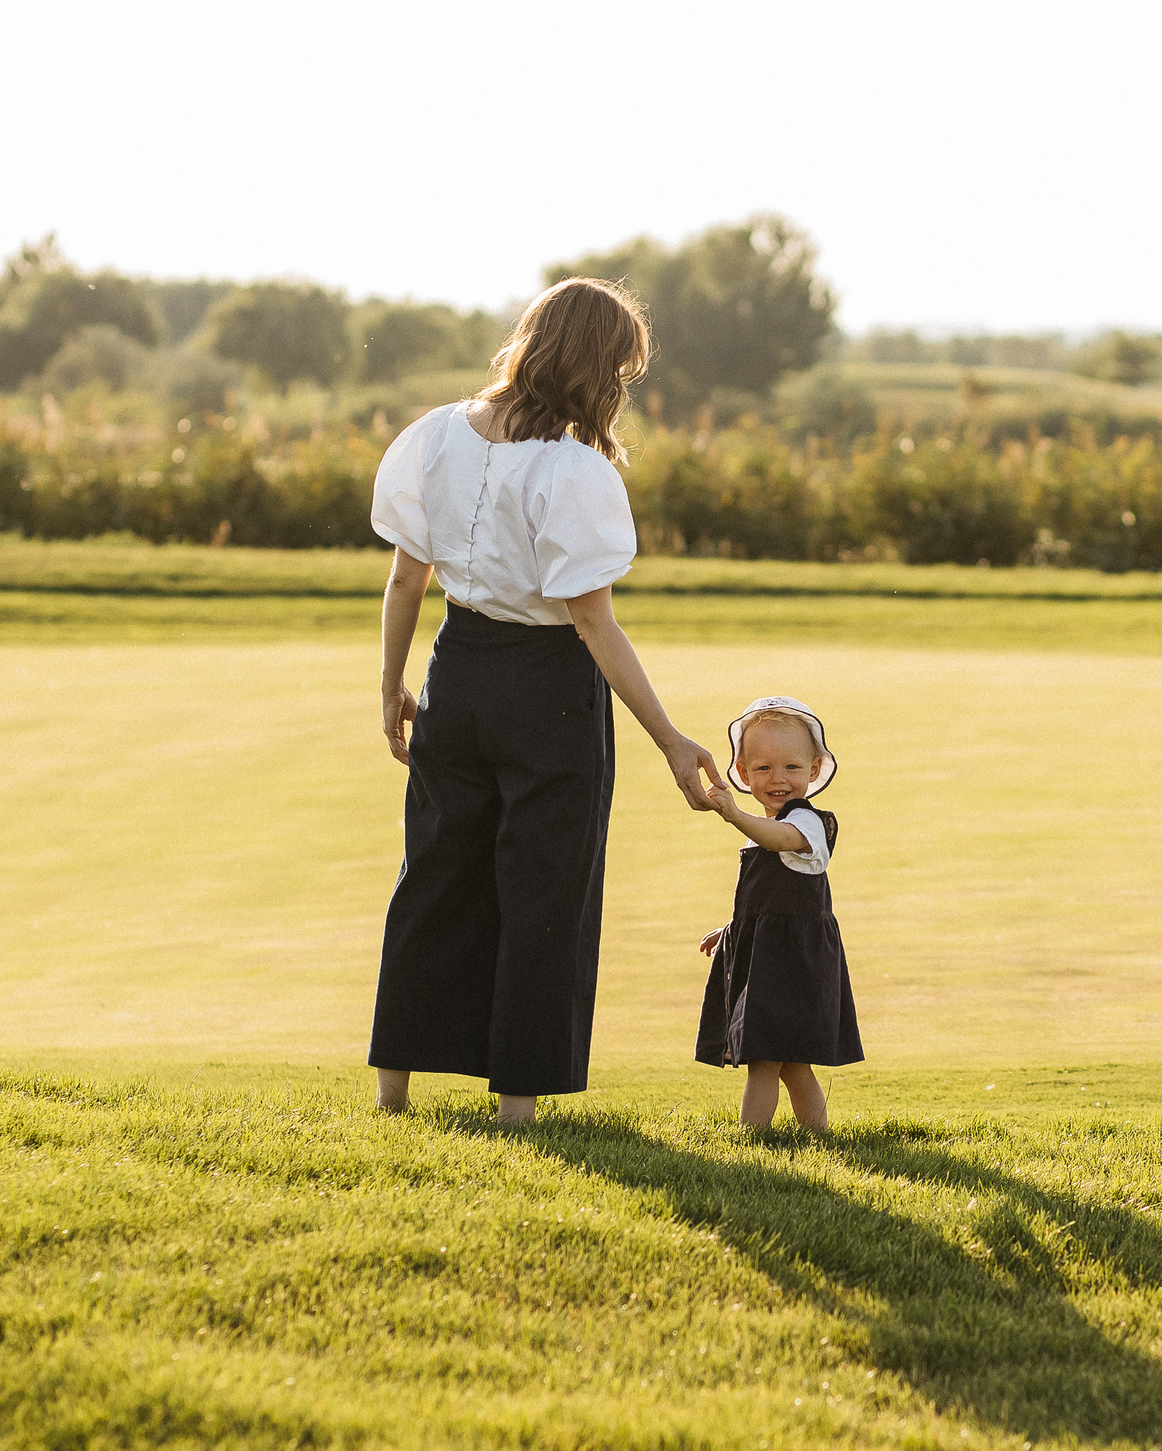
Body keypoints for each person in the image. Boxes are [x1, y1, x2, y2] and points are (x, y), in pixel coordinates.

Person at [368, 278, 718, 1125]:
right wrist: (670, 737)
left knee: (435, 875)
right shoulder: (573, 469)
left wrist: (392, 686)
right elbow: (592, 623)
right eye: (622, 370)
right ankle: (517, 1106)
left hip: (457, 669)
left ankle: (394, 1091)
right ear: (598, 367)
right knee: (544, 890)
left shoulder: (435, 435)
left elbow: (406, 575)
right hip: (549, 690)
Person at [694, 696, 864, 1129]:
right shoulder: (763, 829)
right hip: (768, 955)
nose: (778, 778)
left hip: (792, 962)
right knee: (789, 1064)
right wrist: (732, 930)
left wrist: (734, 814)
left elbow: (782, 839)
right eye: (764, 768)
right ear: (745, 773)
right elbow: (767, 898)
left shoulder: (807, 822)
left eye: (791, 767)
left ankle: (752, 1138)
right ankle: (818, 1136)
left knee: (766, 1060)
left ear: (812, 770)